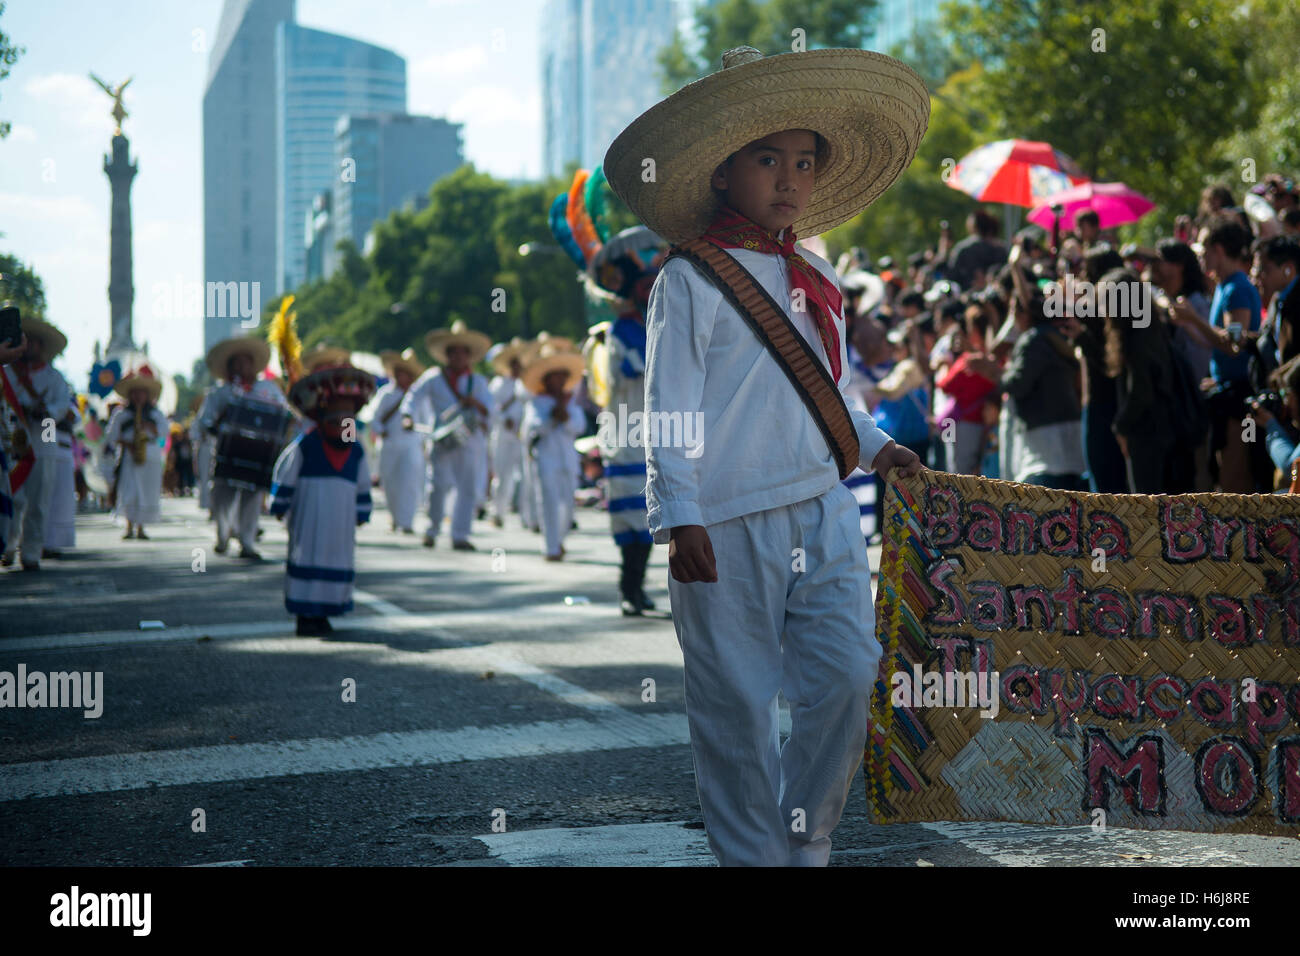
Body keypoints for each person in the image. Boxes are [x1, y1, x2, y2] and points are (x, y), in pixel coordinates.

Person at [605, 44, 926, 866]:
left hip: (822, 505)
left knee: (851, 678)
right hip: (724, 517)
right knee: (736, 706)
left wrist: (880, 447)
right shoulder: (690, 277)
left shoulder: (814, 272)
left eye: (805, 162)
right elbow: (668, 406)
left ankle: (805, 840)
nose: (790, 178)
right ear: (722, 171)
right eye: (767, 159)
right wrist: (678, 515)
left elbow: (822, 394)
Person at [270, 362, 376, 636]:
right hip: (310, 515)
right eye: (338, 413)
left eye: (349, 414)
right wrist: (281, 502)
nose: (344, 419)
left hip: (341, 520)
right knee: (308, 552)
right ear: (324, 413)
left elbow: (363, 483)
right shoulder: (308, 444)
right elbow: (287, 471)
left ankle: (325, 611)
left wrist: (362, 511)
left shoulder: (356, 451)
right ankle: (305, 615)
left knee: (336, 556)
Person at [1172, 217, 1265, 492]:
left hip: (1240, 399)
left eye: (1204, 250)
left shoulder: (1236, 287)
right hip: (1226, 391)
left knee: (1235, 480)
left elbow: (1234, 344)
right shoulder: (1225, 285)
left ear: (1219, 250)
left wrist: (1194, 319)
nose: (1200, 256)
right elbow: (1217, 341)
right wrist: (1188, 323)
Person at [401, 320, 495, 551]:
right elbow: (413, 397)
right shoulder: (433, 377)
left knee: (468, 487)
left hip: (468, 440)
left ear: (469, 356)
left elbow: (491, 411)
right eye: (454, 352)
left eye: (463, 353)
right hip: (440, 438)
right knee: (438, 485)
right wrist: (407, 416)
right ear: (447, 355)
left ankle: (460, 534)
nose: (458, 357)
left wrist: (476, 404)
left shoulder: (478, 382)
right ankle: (432, 530)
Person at [196, 334, 289, 559]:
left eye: (245, 361)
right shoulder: (220, 392)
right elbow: (203, 422)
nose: (241, 366)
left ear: (253, 364)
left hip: (258, 455)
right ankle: (222, 534)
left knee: (252, 498)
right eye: (236, 362)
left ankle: (247, 542)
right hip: (228, 454)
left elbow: (284, 413)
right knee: (222, 496)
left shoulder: (268, 388)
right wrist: (218, 423)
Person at [1098, 269, 1181, 492]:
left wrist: (1120, 426)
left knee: (1145, 506)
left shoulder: (1138, 340)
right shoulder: (1149, 330)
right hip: (1155, 429)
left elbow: (1141, 391)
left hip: (1146, 432)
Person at [2, 317, 72, 571]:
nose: (28, 346)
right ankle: (8, 546)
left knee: (39, 499)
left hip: (44, 437)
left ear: (41, 346)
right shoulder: (8, 373)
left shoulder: (54, 377)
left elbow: (62, 406)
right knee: (14, 496)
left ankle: (31, 551)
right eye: (25, 341)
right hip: (15, 441)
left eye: (33, 342)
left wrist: (45, 410)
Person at [521, 345, 586, 561]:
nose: (558, 382)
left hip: (567, 459)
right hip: (546, 459)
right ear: (547, 379)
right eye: (554, 377)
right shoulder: (537, 403)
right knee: (548, 500)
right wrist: (553, 417)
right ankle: (550, 547)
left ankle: (559, 540)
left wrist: (565, 416)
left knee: (567, 503)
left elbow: (579, 425)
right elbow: (534, 428)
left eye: (562, 377)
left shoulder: (571, 402)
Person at [103, 366, 168, 539]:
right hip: (129, 457)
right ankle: (129, 525)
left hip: (149, 456)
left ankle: (141, 526)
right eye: (135, 393)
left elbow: (164, 432)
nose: (138, 396)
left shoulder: (155, 414)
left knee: (146, 491)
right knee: (129, 490)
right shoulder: (121, 414)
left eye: (141, 393)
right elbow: (110, 436)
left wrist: (149, 427)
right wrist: (126, 443)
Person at [372, 348, 426, 535]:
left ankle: (407, 521)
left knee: (410, 482)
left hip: (411, 445)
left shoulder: (418, 396)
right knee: (390, 482)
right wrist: (382, 431)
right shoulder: (386, 394)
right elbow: (375, 419)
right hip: (389, 445)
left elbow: (426, 421)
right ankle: (395, 518)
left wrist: (420, 436)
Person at [487, 338, 528, 530]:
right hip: (504, 435)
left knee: (527, 477)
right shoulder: (498, 384)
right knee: (503, 475)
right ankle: (498, 512)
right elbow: (491, 409)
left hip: (523, 436)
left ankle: (528, 517)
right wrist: (504, 420)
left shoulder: (528, 385)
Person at [945, 209, 1007, 291]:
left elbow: (951, 275)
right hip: (996, 294)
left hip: (968, 294)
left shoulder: (963, 248)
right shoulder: (1001, 248)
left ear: (973, 225)